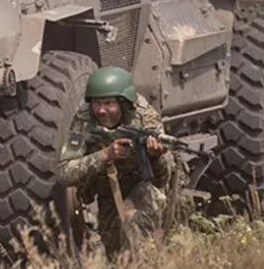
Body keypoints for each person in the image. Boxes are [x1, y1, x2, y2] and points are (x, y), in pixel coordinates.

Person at [57, 67, 177, 258]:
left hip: (142, 184)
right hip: (109, 188)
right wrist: (105, 155)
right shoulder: (84, 119)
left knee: (136, 237)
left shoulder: (144, 117)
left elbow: (161, 180)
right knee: (115, 253)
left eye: (109, 103)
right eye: (96, 103)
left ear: (123, 103)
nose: (101, 110)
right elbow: (64, 173)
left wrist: (155, 156)